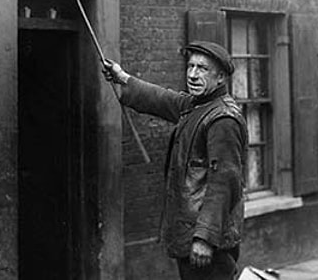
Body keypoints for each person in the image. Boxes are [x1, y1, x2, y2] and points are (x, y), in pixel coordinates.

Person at [103, 41, 248, 280]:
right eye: (190, 66)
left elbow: (224, 183)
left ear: (221, 77)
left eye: (202, 68)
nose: (192, 74)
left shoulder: (223, 119)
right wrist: (123, 78)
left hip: (206, 241)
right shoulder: (197, 105)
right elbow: (163, 98)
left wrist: (205, 238)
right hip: (191, 233)